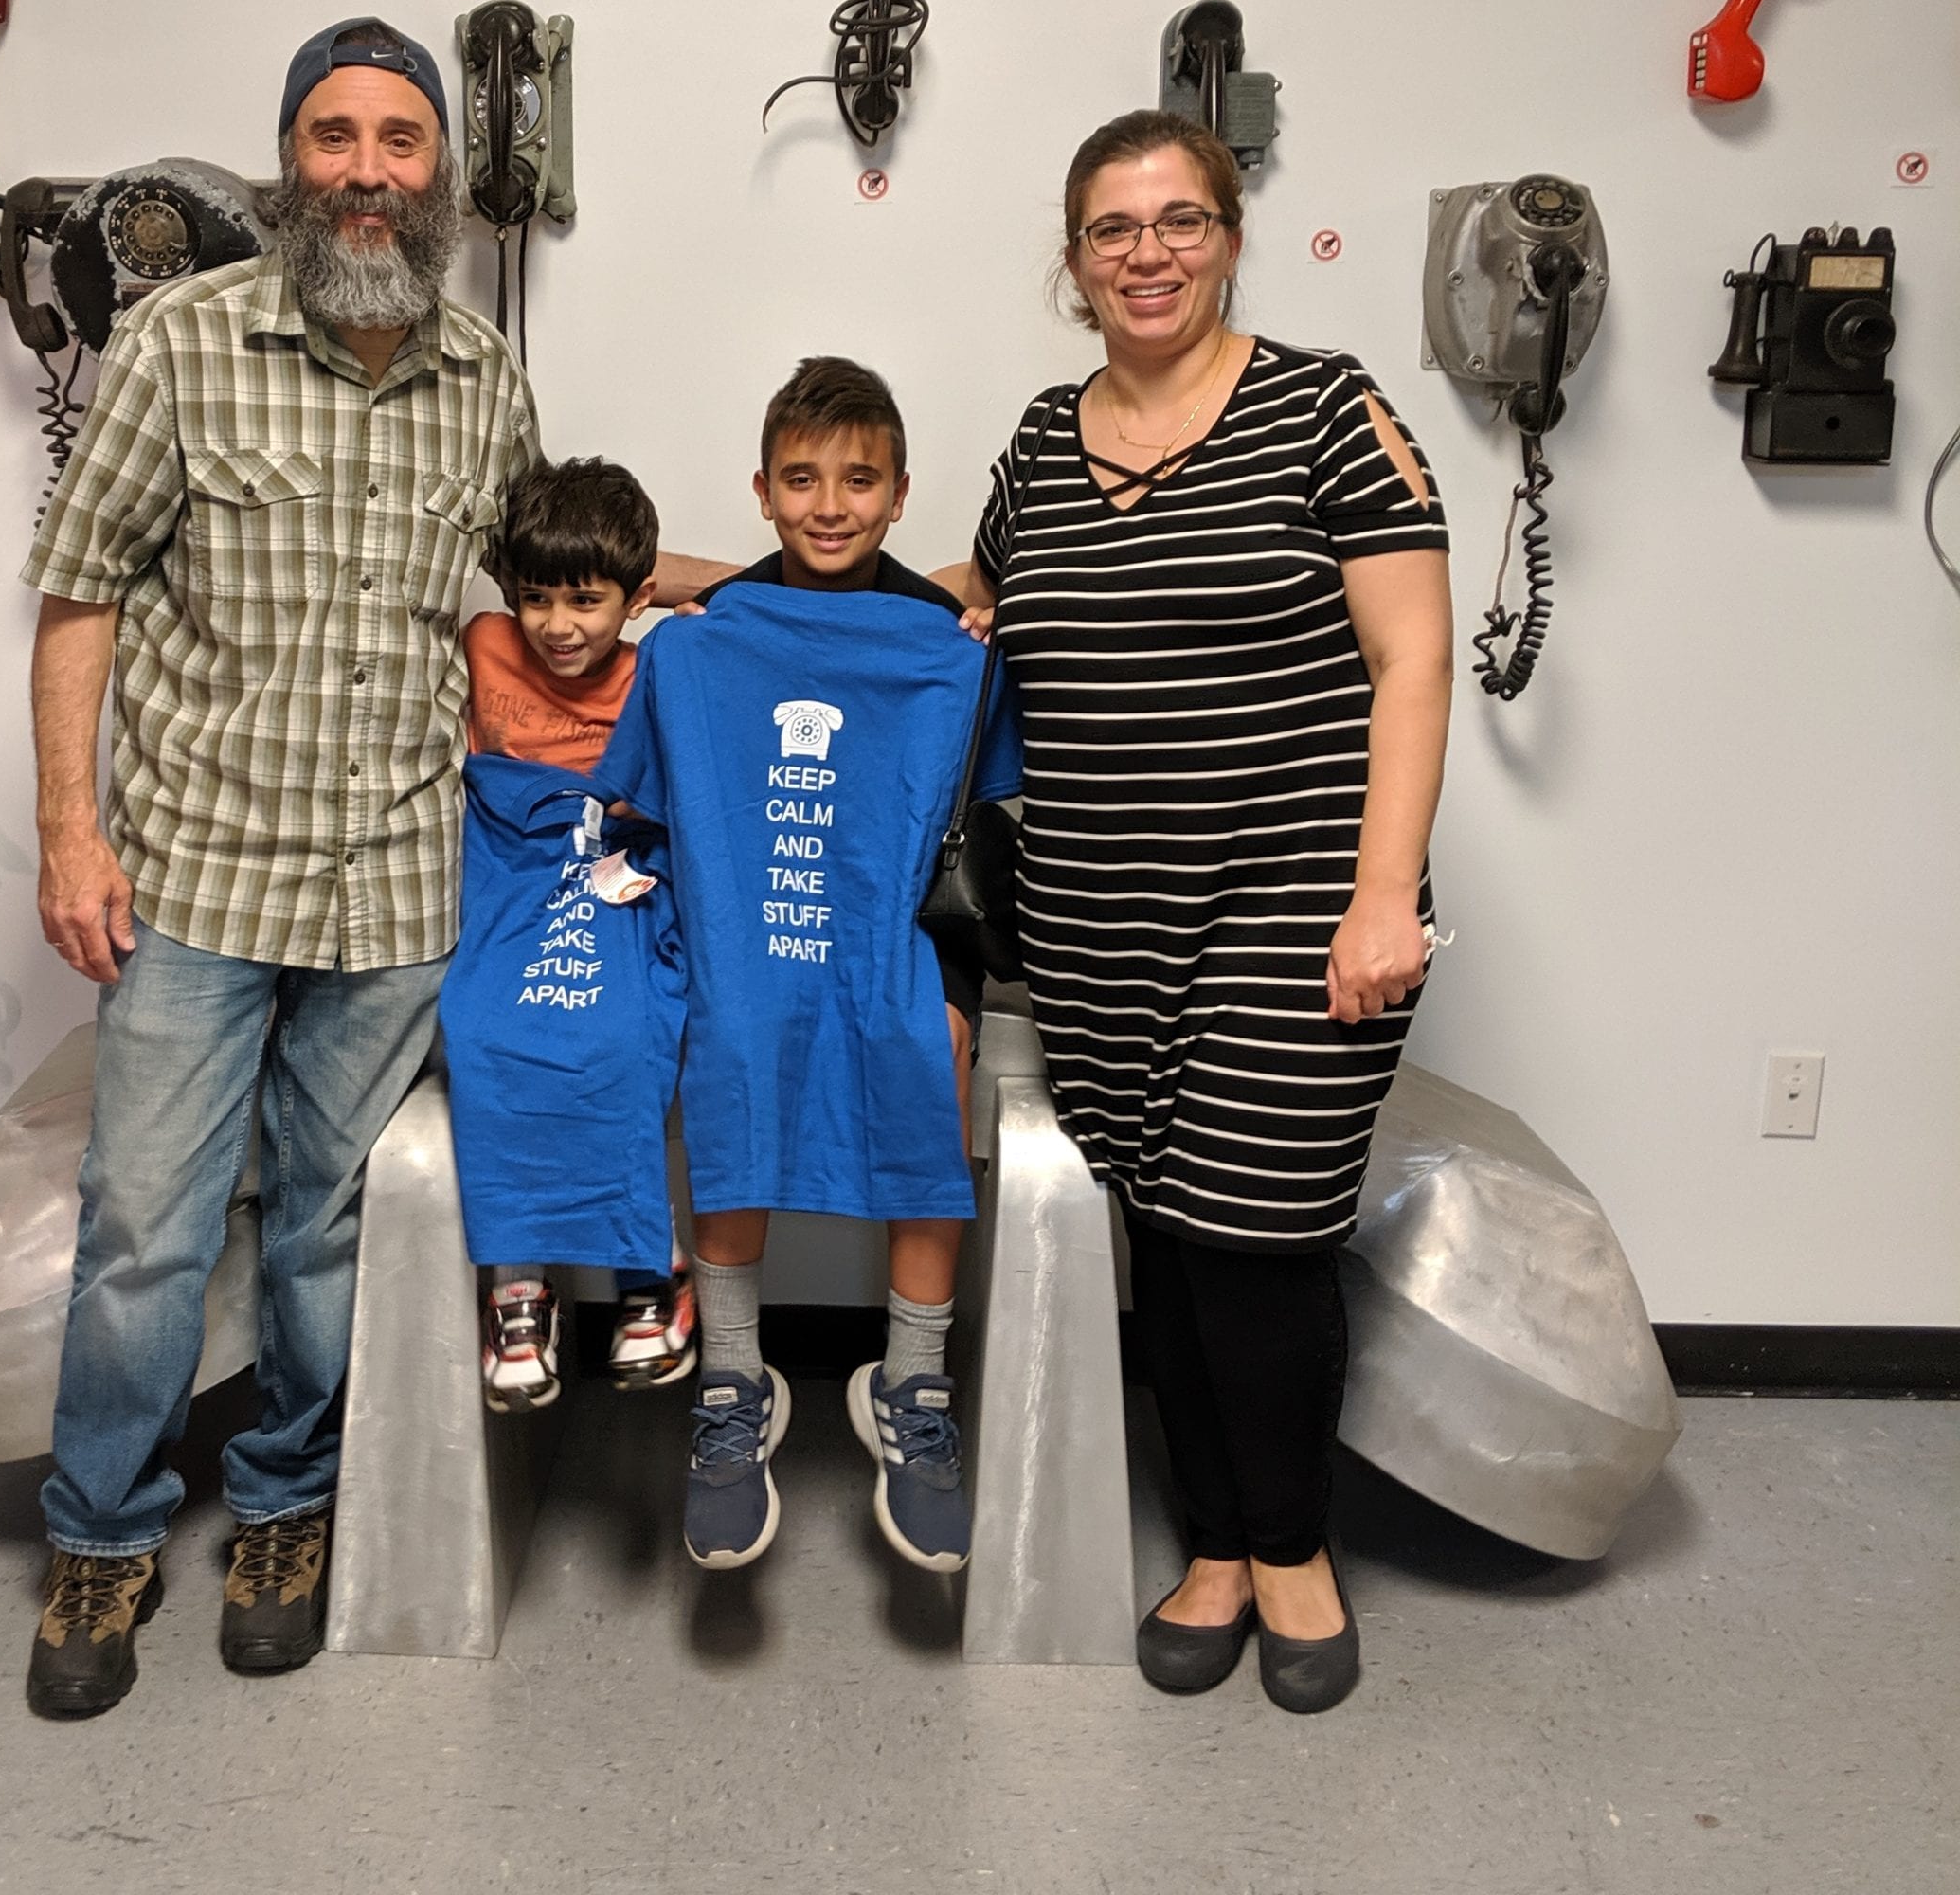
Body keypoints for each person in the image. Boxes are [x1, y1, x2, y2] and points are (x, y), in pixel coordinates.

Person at [15, 17, 544, 1720]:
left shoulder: (486, 376)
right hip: (197, 875)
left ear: (442, 171)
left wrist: (801, 577)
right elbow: (79, 593)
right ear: (288, 157)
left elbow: (539, 595)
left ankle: (284, 1513)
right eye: (337, 136)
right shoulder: (178, 343)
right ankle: (98, 1532)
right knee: (146, 1233)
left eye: (402, 139)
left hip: (395, 886)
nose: (370, 171)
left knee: (327, 1225)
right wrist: (71, 834)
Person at [959, 109, 1452, 1713]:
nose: (1148, 251)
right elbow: (963, 631)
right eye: (1114, 227)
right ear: (1073, 258)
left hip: (1297, 902)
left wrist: (1384, 897)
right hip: (1097, 919)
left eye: (1179, 220)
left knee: (1261, 1233)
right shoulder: (1040, 438)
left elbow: (1416, 660)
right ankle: (1220, 1545)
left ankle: (1294, 1553)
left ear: (1231, 237)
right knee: (1165, 1233)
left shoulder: (1328, 408)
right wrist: (701, 587)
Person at [601, 357, 1010, 1577]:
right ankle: (734, 1380)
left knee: (924, 1054)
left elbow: (981, 809)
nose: (830, 504)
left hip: (900, 932)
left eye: (859, 480)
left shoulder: (942, 643)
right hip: (756, 926)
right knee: (730, 1044)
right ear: (764, 494)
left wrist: (976, 648)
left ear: (897, 497)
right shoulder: (705, 643)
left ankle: (916, 1385)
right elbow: (643, 800)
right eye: (802, 480)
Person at [454, 455, 698, 1408]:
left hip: (623, 868)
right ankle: (518, 1287)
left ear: (636, 597)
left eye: (585, 601)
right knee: (481, 1027)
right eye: (536, 598)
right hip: (515, 865)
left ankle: (652, 1273)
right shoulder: (478, 641)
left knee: (629, 1029)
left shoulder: (664, 666)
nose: (557, 625)